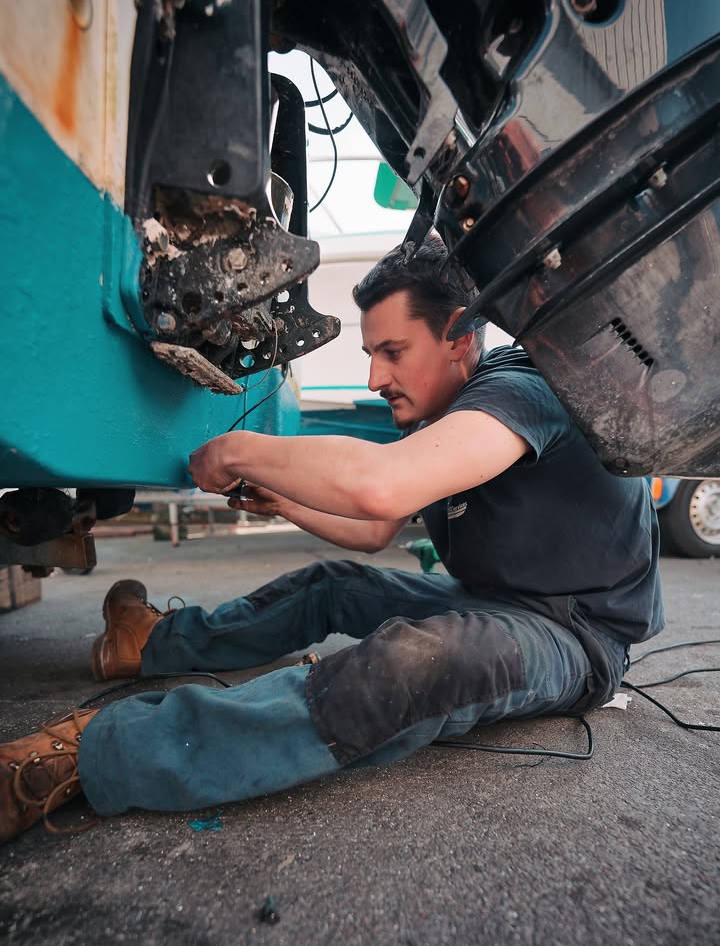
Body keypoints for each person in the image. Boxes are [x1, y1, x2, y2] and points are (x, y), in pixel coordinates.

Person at [0, 236, 663, 844]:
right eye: (372, 354)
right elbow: (374, 530)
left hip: (576, 639)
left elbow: (381, 491)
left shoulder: (524, 388)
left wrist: (241, 450)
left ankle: (90, 758)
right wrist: (283, 498)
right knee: (334, 586)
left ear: (459, 337)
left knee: (419, 661)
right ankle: (150, 643)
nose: (375, 378)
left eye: (393, 352)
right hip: (496, 600)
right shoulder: (450, 416)